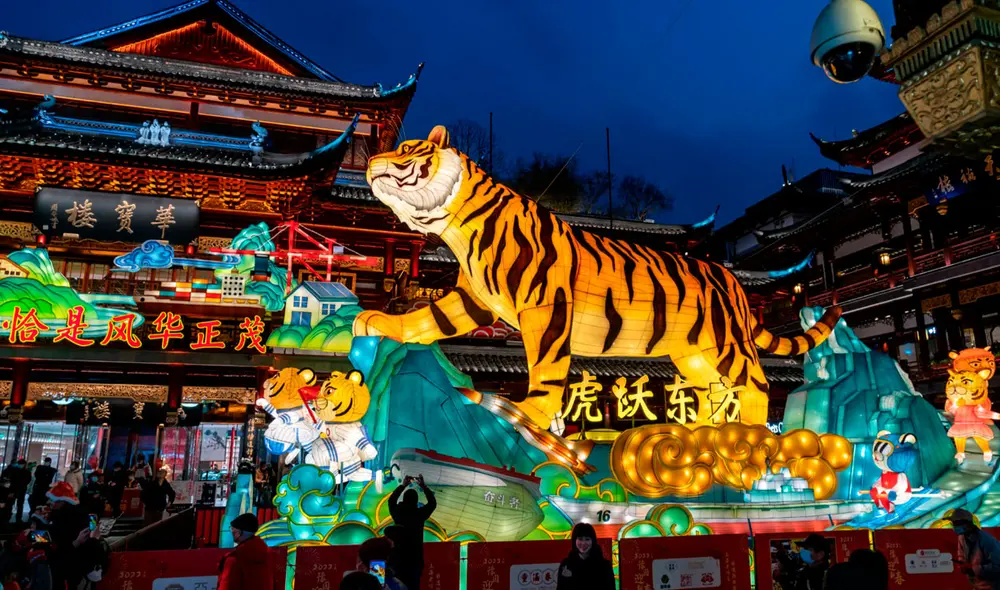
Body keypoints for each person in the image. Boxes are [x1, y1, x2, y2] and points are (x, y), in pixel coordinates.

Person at [387, 475, 436, 590]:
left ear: (403, 499)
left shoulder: (397, 513)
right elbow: (432, 503)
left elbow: (391, 500)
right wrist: (423, 487)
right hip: (415, 561)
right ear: (416, 501)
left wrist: (403, 485)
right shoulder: (419, 514)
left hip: (397, 561)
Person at [217, 513, 275, 590]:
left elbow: (227, 585)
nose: (232, 532)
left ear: (239, 533)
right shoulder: (267, 554)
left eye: (233, 529)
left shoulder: (234, 559)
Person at [949, 508, 1000, 589]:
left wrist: (974, 569)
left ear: (968, 524)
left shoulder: (986, 540)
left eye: (957, 523)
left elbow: (997, 566)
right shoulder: (962, 537)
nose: (954, 527)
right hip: (977, 585)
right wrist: (962, 565)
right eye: (953, 523)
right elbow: (961, 556)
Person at [556, 523, 615, 590]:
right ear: (574, 540)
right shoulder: (566, 564)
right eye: (580, 539)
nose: (583, 543)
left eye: (587, 539)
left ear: (593, 541)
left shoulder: (604, 566)